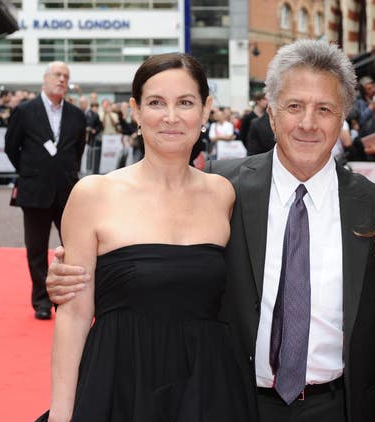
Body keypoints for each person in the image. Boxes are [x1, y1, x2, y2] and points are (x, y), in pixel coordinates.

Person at [45, 40, 375, 422]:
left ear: (344, 116)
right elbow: (160, 261)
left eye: (324, 109)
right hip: (229, 401)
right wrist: (80, 276)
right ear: (270, 112)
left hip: (341, 406)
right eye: (294, 106)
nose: (308, 123)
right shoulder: (222, 188)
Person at [45, 53, 249, 422]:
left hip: (206, 390)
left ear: (205, 111)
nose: (171, 117)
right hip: (119, 383)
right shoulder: (93, 194)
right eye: (156, 102)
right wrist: (61, 415)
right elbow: (74, 314)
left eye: (185, 102)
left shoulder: (223, 194)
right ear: (136, 111)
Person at [4, 61, 86, 320]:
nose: (61, 79)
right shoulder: (25, 111)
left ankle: (68, 298)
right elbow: (11, 147)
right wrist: (31, 171)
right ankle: (41, 300)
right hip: (34, 190)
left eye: (66, 76)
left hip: (67, 191)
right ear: (45, 77)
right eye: (57, 74)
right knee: (36, 250)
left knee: (73, 248)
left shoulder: (77, 114)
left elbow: (78, 150)